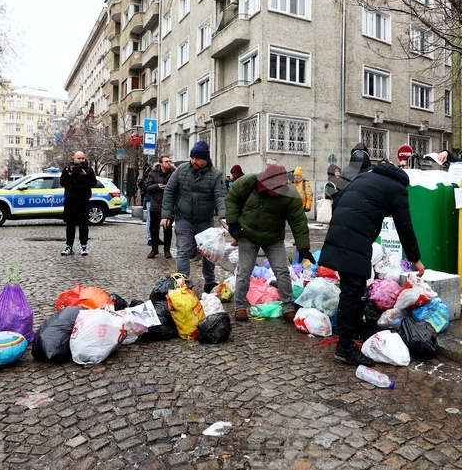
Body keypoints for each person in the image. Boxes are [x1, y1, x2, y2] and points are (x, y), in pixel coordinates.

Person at [320, 161, 424, 365]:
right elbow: (405, 226)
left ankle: (357, 328)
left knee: (355, 285)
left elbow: (339, 200)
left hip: (341, 230)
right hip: (355, 236)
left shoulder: (365, 176)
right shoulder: (397, 189)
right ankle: (345, 346)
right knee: (351, 289)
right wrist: (415, 259)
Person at [226, 164, 311, 323]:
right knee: (245, 270)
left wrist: (303, 247)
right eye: (274, 189)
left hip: (273, 238)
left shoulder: (289, 193)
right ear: (265, 184)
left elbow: (298, 221)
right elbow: (232, 198)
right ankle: (239, 307)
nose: (277, 192)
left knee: (282, 271)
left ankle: (288, 307)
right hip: (248, 233)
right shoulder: (248, 182)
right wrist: (233, 223)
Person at [161, 141, 228, 293]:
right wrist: (166, 214)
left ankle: (209, 282)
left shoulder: (216, 174)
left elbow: (220, 196)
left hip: (205, 220)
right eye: (192, 157)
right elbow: (170, 191)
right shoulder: (182, 170)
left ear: (206, 159)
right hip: (184, 218)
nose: (194, 161)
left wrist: (223, 217)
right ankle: (183, 285)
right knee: (183, 251)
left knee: (208, 252)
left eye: (197, 158)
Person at [60, 151, 97, 256]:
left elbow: (93, 183)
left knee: (83, 225)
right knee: (70, 225)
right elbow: (62, 182)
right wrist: (70, 174)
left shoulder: (89, 170)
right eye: (79, 158)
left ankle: (83, 246)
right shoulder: (68, 169)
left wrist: (86, 176)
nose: (81, 160)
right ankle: (69, 246)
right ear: (74, 159)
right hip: (70, 201)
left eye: (82, 158)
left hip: (83, 201)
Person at [144, 155, 175, 259]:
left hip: (169, 205)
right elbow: (147, 187)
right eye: (166, 161)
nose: (168, 163)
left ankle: (167, 249)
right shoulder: (153, 173)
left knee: (168, 229)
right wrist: (157, 186)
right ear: (161, 163)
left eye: (169, 161)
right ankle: (154, 248)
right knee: (154, 228)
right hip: (155, 205)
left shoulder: (173, 173)